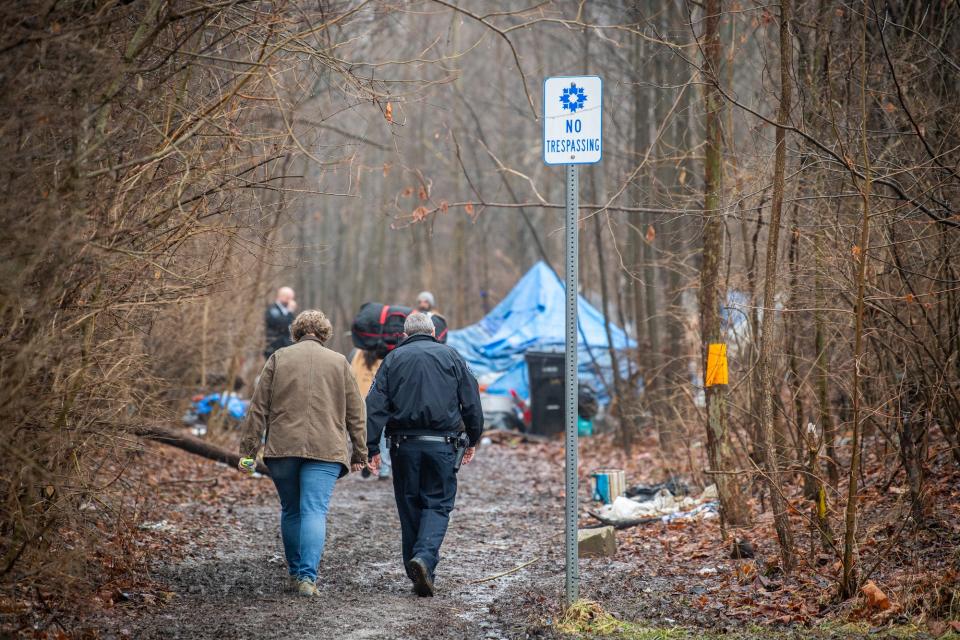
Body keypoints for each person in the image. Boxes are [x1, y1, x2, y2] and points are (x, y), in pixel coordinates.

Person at [239, 310, 367, 597]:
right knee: (314, 511)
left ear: (296, 332)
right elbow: (356, 412)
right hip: (326, 450)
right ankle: (308, 578)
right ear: (325, 333)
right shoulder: (339, 363)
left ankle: (296, 572)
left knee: (291, 509)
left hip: (283, 448)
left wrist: (247, 451)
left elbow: (257, 408)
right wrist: (360, 451)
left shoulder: (279, 358)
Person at [365, 312, 483, 597]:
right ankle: (425, 559)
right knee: (438, 503)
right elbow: (472, 401)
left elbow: (374, 405)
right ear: (434, 332)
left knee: (409, 505)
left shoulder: (392, 360)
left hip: (403, 446)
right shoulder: (452, 357)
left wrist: (370, 446)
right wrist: (473, 438)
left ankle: (416, 565)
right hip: (443, 445)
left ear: (405, 334)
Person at [349, 348, 391, 480]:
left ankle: (367, 460)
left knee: (364, 431)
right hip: (379, 398)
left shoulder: (356, 354)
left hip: (361, 398)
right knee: (383, 434)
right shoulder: (386, 353)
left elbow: (351, 375)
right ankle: (384, 468)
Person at [264, 286, 297, 359]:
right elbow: (281, 324)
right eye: (289, 298)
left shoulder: (287, 311)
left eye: (292, 298)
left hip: (286, 348)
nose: (291, 301)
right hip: (274, 348)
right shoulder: (272, 309)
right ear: (281, 296)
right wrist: (290, 312)